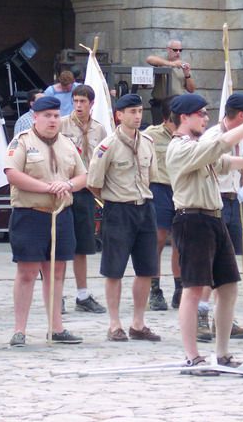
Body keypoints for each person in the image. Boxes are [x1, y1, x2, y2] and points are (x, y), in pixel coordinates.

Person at [166, 93, 243, 373]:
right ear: (184, 117)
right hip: (192, 219)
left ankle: (223, 353)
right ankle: (193, 356)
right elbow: (220, 145)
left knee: (228, 287)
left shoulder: (196, 145)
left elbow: (222, 162)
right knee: (193, 290)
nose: (206, 118)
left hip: (213, 218)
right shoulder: (179, 147)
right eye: (201, 113)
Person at [4, 95, 87, 347]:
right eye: (47, 116)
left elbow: (83, 175)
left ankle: (56, 327)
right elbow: (12, 174)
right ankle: (20, 330)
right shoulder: (22, 142)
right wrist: (45, 188)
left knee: (57, 271)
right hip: (30, 213)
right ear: (35, 117)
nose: (52, 120)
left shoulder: (68, 144)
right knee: (27, 271)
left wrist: (68, 184)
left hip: (61, 213)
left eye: (55, 115)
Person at [87, 93, 161, 342]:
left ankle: (138, 323)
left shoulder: (148, 142)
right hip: (118, 209)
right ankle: (114, 323)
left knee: (146, 268)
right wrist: (112, 200)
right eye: (132, 112)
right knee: (114, 269)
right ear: (119, 115)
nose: (137, 116)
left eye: (140, 111)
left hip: (145, 207)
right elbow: (94, 183)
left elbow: (152, 174)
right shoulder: (107, 146)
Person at [200, 93, 243, 340]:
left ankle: (223, 317)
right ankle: (202, 316)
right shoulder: (214, 137)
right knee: (208, 262)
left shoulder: (241, 136)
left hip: (233, 199)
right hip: (213, 201)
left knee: (228, 263)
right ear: (241, 116)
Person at [60, 85, 107, 314]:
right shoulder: (61, 125)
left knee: (82, 244)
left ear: (91, 104)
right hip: (64, 188)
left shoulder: (99, 129)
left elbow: (103, 158)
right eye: (76, 101)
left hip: (87, 191)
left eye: (83, 102)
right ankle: (56, 294)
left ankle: (82, 294)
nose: (79, 105)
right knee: (59, 244)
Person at [144, 96, 180, 310]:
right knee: (157, 240)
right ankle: (154, 288)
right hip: (159, 189)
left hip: (181, 189)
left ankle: (180, 287)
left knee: (181, 242)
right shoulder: (150, 135)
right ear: (166, 119)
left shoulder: (191, 136)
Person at [146, 40, 196, 124]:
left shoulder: (182, 64)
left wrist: (187, 74)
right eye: (175, 50)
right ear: (168, 50)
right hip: (160, 104)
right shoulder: (161, 61)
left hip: (178, 105)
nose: (178, 53)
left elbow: (191, 89)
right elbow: (149, 59)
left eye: (180, 50)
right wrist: (171, 64)